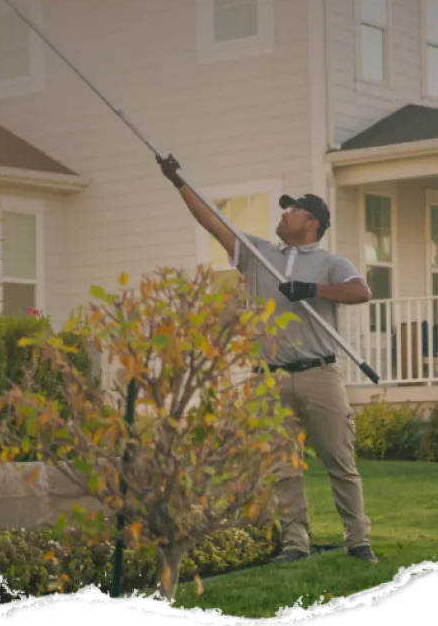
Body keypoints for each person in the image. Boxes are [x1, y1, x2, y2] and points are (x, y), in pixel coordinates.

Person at [157, 154, 378, 565]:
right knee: (282, 466)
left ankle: (358, 540)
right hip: (269, 377)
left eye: (292, 210)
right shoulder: (257, 253)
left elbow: (360, 292)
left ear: (311, 222)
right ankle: (295, 543)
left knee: (339, 461)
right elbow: (213, 222)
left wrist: (311, 289)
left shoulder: (330, 263)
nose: (284, 213)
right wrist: (178, 180)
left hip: (318, 373)